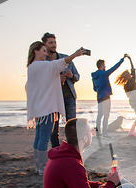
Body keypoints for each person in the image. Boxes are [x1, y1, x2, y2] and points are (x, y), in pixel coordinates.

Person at [26, 41, 84, 175]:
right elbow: (58, 64)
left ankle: (38, 166)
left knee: (39, 137)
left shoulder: (32, 67)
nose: (46, 54)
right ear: (36, 51)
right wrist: (75, 54)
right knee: (44, 138)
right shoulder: (42, 65)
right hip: (47, 108)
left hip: (39, 108)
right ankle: (42, 168)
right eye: (44, 51)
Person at [42, 32, 81, 147]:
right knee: (54, 130)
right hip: (53, 99)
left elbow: (77, 76)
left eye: (55, 42)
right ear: (44, 45)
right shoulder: (43, 62)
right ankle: (57, 152)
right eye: (50, 43)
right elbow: (41, 81)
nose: (54, 45)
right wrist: (56, 79)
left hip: (69, 97)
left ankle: (73, 152)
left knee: (72, 127)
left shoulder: (66, 58)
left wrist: (71, 76)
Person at [91, 55, 127, 138]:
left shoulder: (94, 77)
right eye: (104, 65)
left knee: (99, 115)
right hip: (106, 97)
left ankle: (98, 133)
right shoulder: (104, 74)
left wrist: (100, 88)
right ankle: (105, 133)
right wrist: (122, 59)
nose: (105, 66)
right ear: (102, 66)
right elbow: (114, 68)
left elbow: (94, 89)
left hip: (99, 98)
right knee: (106, 115)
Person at [114, 55, 136, 137]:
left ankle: (131, 132)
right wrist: (130, 60)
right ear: (129, 76)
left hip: (133, 103)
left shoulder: (125, 86)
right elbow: (133, 70)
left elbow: (129, 95)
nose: (131, 74)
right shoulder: (132, 81)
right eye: (130, 74)